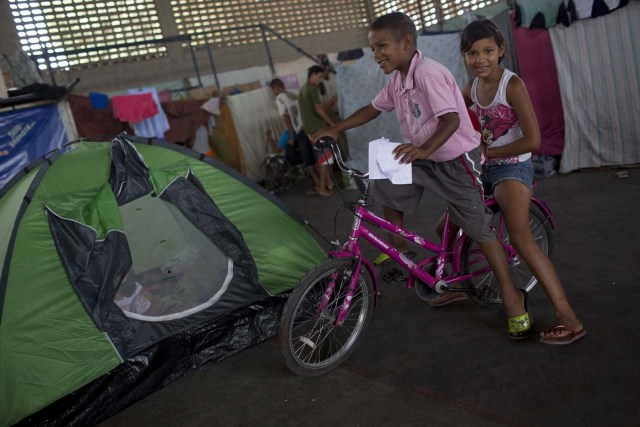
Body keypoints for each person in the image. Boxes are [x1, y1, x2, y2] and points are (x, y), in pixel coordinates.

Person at [312, 12, 532, 340]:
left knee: (480, 230)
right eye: (373, 49)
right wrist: (335, 127)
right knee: (384, 170)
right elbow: (373, 108)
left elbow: (452, 121)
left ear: (407, 43)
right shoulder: (398, 79)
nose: (377, 55)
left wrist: (423, 150)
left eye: (382, 46)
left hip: (457, 160)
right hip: (426, 154)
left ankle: (513, 298)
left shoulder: (429, 73)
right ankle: (400, 249)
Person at [457, 19, 586, 344]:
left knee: (520, 238)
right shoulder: (471, 87)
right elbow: (454, 115)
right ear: (464, 57)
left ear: (501, 51)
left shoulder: (510, 85)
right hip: (483, 167)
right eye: (472, 53)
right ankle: (450, 286)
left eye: (488, 51)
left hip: (512, 167)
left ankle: (567, 316)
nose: (480, 59)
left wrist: (490, 150)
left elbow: (533, 140)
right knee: (448, 227)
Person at [269, 78, 320, 192]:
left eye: (273, 90)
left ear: (276, 88)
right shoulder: (294, 92)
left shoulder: (279, 99)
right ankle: (325, 183)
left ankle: (318, 184)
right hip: (308, 126)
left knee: (308, 160)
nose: (274, 93)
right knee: (317, 156)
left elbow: (286, 117)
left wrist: (291, 136)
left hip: (299, 130)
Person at [299, 65, 337, 196]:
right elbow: (318, 109)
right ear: (313, 74)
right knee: (325, 159)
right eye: (320, 77)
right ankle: (322, 187)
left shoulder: (302, 90)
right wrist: (332, 123)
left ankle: (328, 183)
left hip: (309, 129)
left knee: (323, 159)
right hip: (318, 128)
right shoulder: (312, 89)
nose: (320, 80)